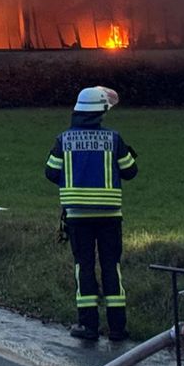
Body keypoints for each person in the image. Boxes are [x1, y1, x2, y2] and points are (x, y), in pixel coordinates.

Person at [45, 86, 138, 342]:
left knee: (83, 267)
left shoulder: (64, 140)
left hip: (78, 217)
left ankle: (88, 326)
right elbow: (130, 171)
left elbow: (51, 172)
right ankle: (117, 328)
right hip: (110, 216)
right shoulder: (114, 139)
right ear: (100, 112)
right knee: (111, 266)